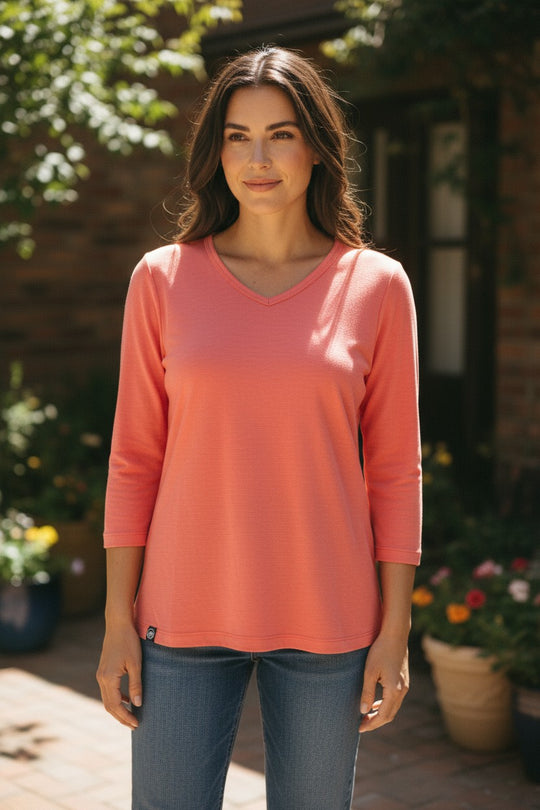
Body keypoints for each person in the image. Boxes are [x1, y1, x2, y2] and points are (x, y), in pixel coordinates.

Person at [97, 46, 422, 810]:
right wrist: (118, 619)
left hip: (330, 622)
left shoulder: (377, 286)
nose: (258, 157)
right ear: (215, 153)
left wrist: (395, 629)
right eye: (238, 136)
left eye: (280, 133)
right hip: (179, 620)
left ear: (316, 144)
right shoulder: (161, 279)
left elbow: (397, 471)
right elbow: (133, 461)